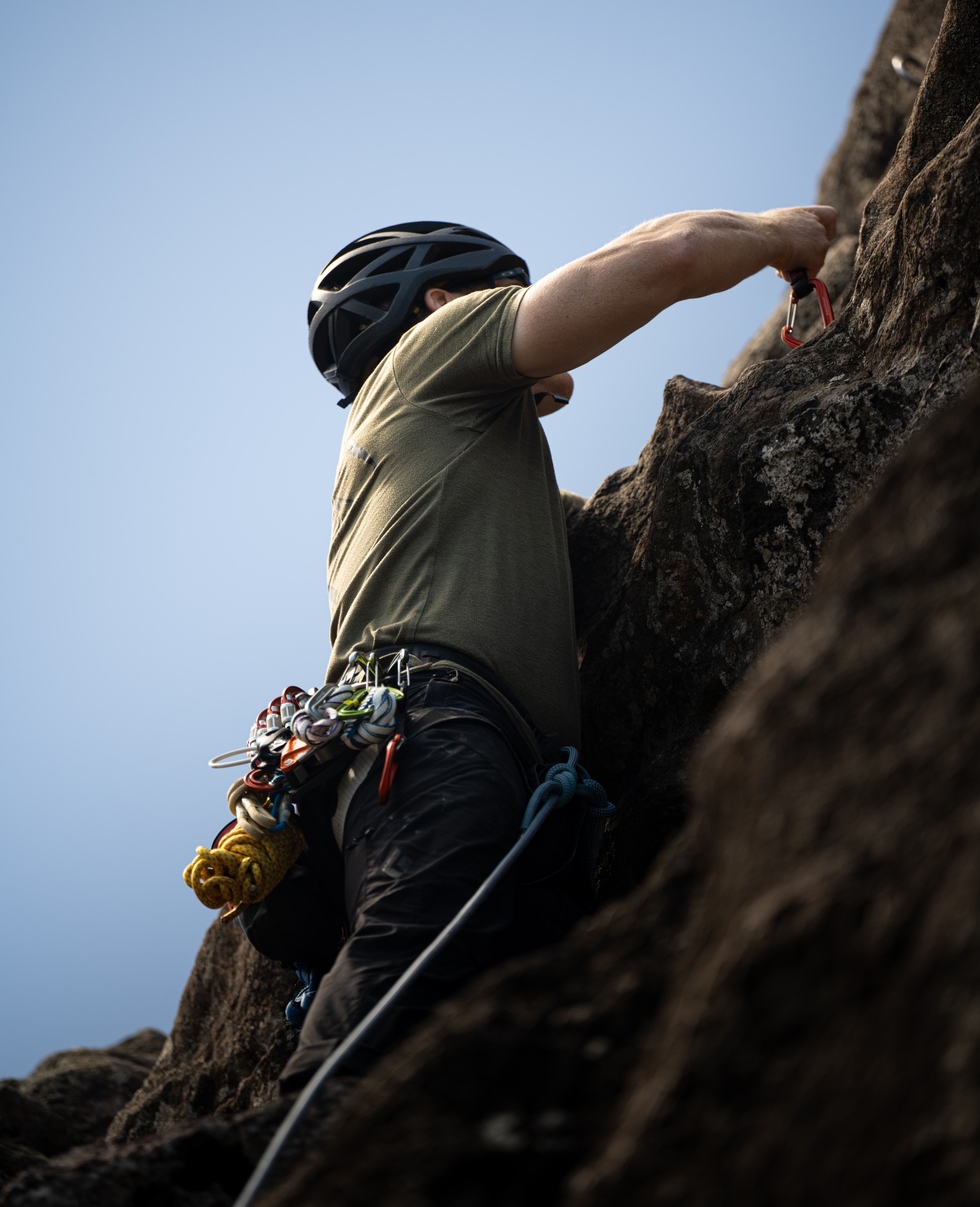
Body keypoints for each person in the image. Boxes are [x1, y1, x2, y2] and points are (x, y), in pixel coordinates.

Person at [255, 208, 835, 1092]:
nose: (526, 306)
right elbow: (665, 257)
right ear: (442, 302)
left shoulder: (456, 464)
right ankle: (284, 1184)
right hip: (438, 737)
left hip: (475, 776)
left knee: (529, 1047)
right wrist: (778, 237)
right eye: (508, 293)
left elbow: (598, 536)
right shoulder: (427, 355)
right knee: (408, 974)